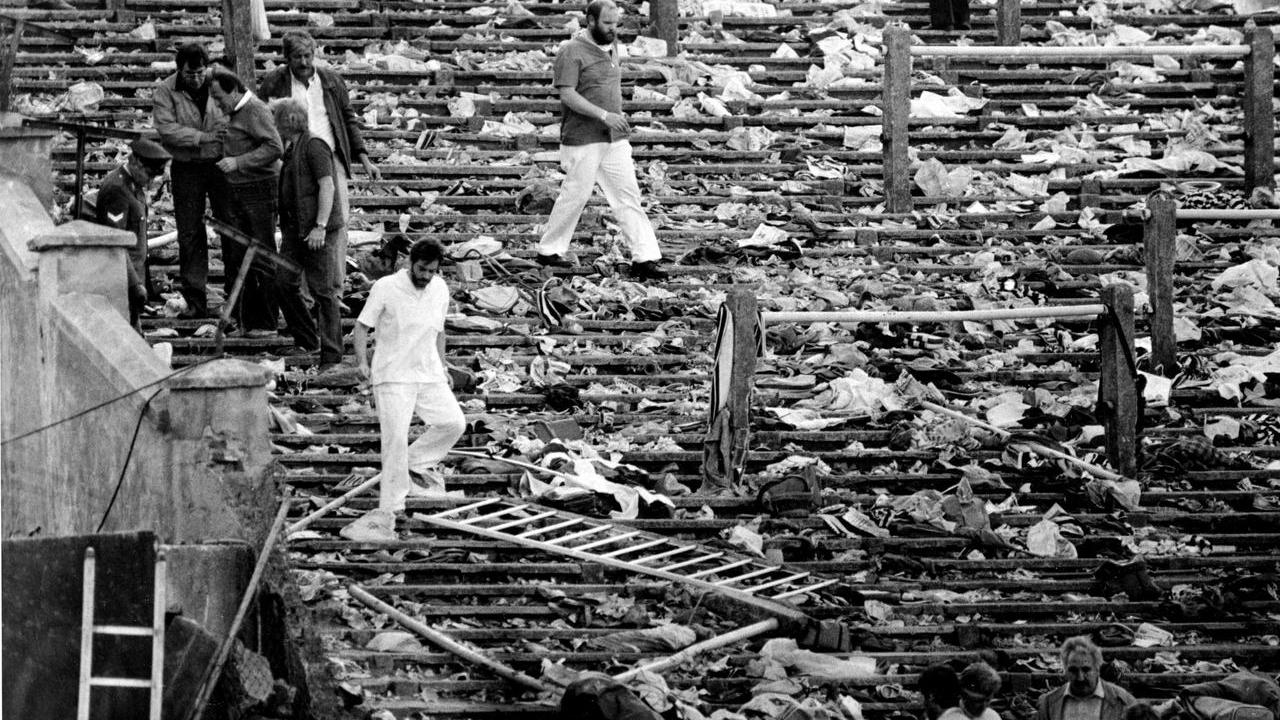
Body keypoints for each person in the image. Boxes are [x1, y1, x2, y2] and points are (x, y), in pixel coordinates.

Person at [535, 0, 668, 281]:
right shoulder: (570, 51)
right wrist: (604, 115)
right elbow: (567, 94)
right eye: (607, 24)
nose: (613, 29)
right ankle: (549, 249)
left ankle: (645, 257)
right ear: (591, 21)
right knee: (576, 193)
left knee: (627, 193)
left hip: (614, 137)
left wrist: (613, 117)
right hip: (583, 137)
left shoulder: (613, 45)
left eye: (616, 23)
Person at [351, 239, 465, 521]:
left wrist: (444, 367)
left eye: (432, 271)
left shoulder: (439, 288)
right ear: (409, 262)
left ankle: (412, 464)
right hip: (392, 374)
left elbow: (439, 332)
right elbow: (361, 326)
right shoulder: (386, 286)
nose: (426, 276)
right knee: (395, 440)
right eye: (422, 269)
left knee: (453, 423)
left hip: (428, 372)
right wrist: (362, 362)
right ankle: (392, 507)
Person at [258, 30, 382, 287]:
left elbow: (348, 119)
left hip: (328, 155)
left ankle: (333, 286)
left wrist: (364, 158)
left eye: (308, 56)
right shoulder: (274, 82)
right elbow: (265, 120)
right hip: (291, 158)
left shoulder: (331, 80)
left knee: (335, 222)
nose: (304, 63)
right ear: (287, 57)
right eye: (297, 57)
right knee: (297, 221)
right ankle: (304, 290)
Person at [152, 42, 228, 318]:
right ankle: (196, 300)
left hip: (221, 164)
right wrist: (201, 137)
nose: (196, 79)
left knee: (230, 227)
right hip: (186, 166)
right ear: (179, 70)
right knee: (189, 232)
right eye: (189, 74)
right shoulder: (165, 90)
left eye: (200, 73)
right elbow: (166, 128)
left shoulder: (219, 83)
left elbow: (234, 111)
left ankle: (237, 299)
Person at [270, 97, 345, 372]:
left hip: (315, 232)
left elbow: (327, 186)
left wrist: (320, 226)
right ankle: (306, 339)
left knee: (323, 292)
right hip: (295, 230)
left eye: (275, 118)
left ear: (287, 121)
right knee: (282, 281)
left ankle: (332, 356)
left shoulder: (314, 145)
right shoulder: (292, 149)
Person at [209, 65, 284, 337]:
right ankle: (246, 320)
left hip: (260, 190)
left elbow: (275, 147)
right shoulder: (237, 113)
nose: (218, 105)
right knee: (239, 255)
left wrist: (238, 161)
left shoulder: (255, 109)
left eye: (219, 99)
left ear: (234, 90)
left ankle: (265, 322)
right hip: (240, 190)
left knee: (262, 254)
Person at [95, 137, 172, 329]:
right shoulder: (117, 188)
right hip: (121, 281)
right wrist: (134, 284)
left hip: (131, 279)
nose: (150, 181)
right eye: (149, 174)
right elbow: (116, 241)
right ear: (135, 162)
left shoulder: (131, 185)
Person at [1036, 637, 1137, 720]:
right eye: (1073, 670)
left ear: (1097, 669)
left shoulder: (1123, 702)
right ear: (1065, 671)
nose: (1080, 678)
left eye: (1086, 670)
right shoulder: (1049, 704)